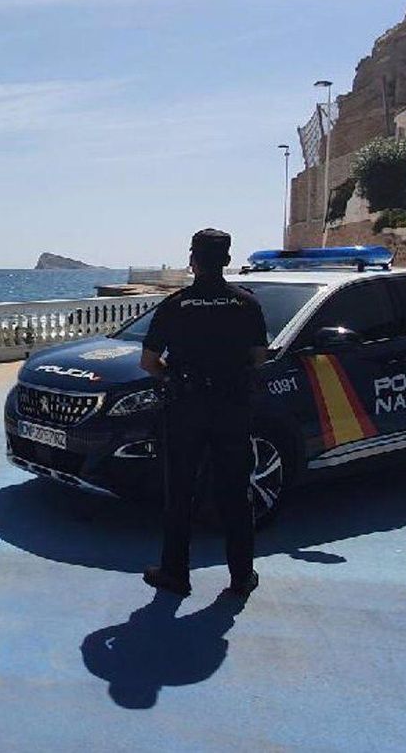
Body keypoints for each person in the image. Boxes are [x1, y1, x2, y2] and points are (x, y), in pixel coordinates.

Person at [138, 229, 268, 599]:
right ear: (226, 261)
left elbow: (148, 362)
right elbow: (259, 358)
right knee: (235, 495)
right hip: (231, 408)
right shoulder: (247, 304)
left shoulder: (175, 304)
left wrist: (174, 379)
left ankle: (175, 575)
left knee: (179, 494)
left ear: (192, 261)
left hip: (186, 409)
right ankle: (241, 577)